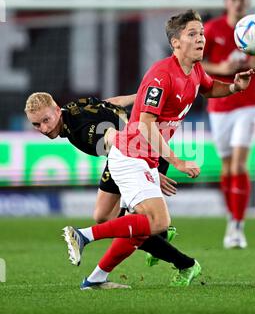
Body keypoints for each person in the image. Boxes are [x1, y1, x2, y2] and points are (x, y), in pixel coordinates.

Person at [60, 9, 255, 289]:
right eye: (192, 34)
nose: (201, 39)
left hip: (144, 157)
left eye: (201, 33)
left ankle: (95, 278)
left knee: (143, 228)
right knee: (158, 221)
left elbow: (210, 89)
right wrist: (177, 161)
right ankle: (84, 235)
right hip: (130, 154)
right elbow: (146, 124)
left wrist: (235, 86)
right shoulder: (161, 76)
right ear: (175, 43)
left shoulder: (195, 70)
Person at [25, 92, 199, 289]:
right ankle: (161, 239)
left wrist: (147, 169)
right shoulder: (73, 106)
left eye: (46, 120)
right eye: (37, 124)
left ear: (57, 110)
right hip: (128, 154)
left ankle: (184, 263)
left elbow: (115, 137)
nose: (44, 129)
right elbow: (111, 103)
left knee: (139, 227)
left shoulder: (82, 129)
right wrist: (139, 95)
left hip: (141, 154)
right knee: (105, 216)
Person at [202, 0, 255, 249]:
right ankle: (231, 215)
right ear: (226, 2)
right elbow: (199, 62)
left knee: (238, 165)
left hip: (249, 103)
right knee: (225, 167)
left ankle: (237, 225)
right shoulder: (213, 29)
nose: (238, 2)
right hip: (220, 103)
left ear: (247, 2)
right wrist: (222, 66)